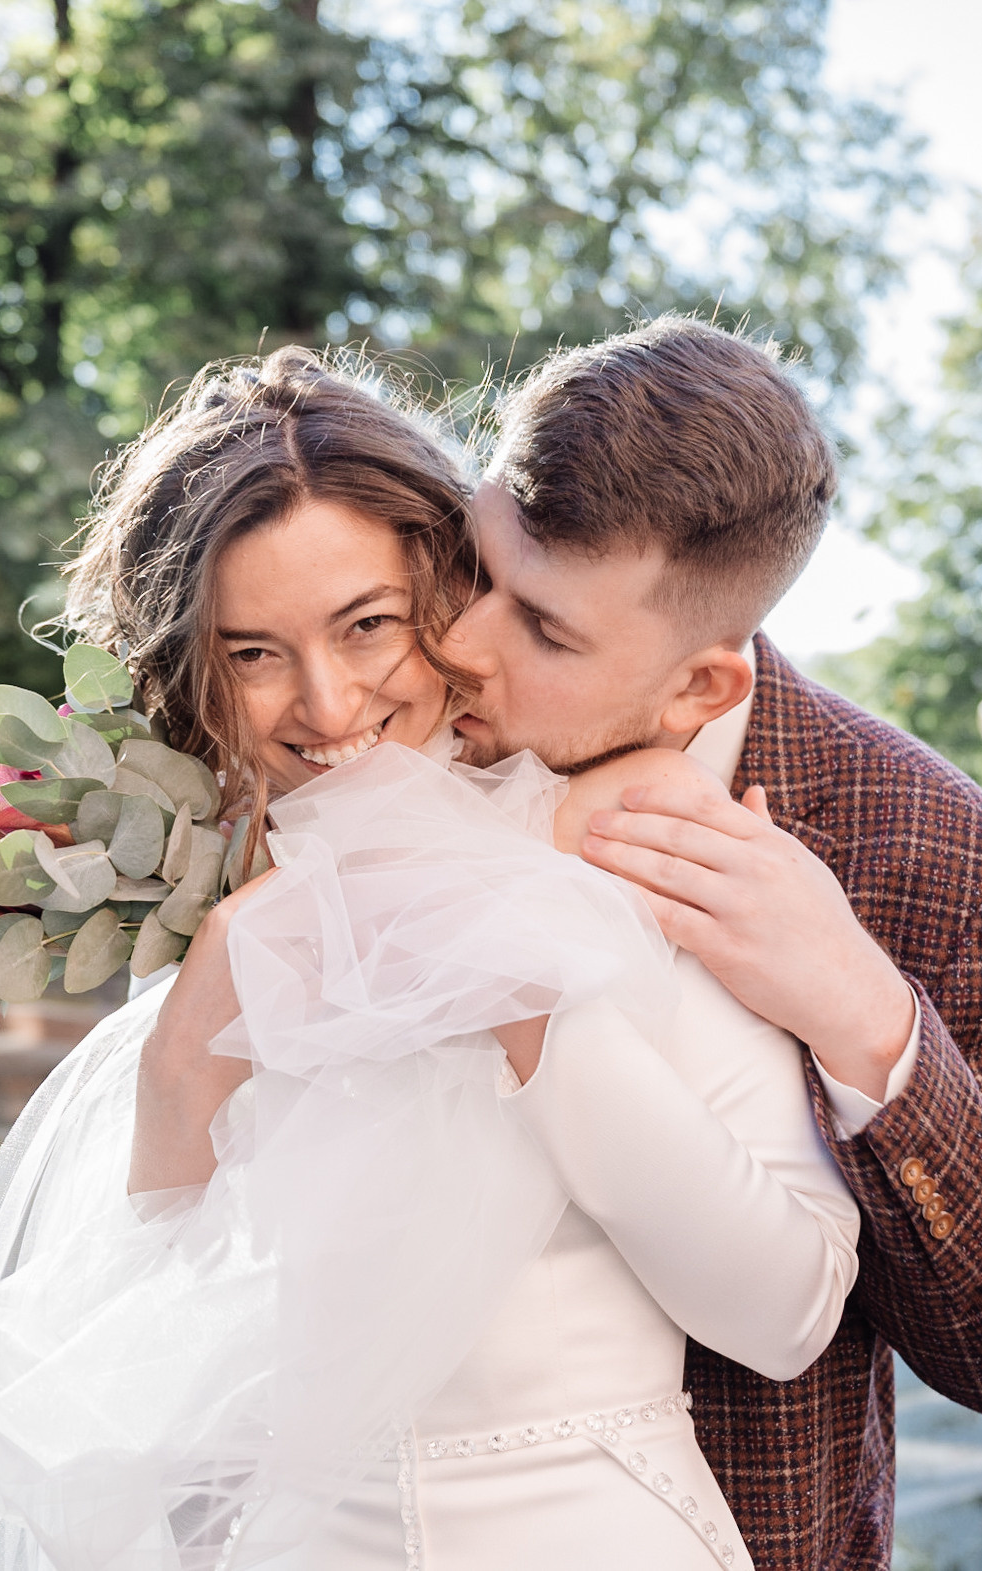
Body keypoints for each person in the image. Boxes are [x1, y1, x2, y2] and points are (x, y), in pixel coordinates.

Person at [0, 348, 858, 1571]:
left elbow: (786, 1312)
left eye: (367, 624)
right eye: (252, 651)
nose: (324, 703)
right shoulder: (225, 927)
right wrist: (183, 1066)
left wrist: (521, 997)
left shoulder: (635, 846)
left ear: (457, 594)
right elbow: (158, 1381)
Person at [442, 313, 982, 1570]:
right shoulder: (390, 708)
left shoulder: (923, 841)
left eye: (546, 628)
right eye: (480, 569)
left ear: (701, 688)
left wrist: (862, 1014)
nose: (463, 644)